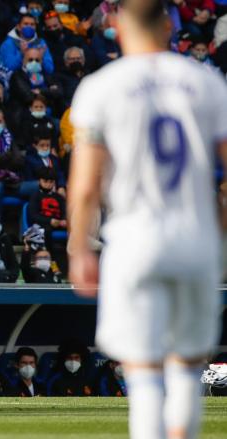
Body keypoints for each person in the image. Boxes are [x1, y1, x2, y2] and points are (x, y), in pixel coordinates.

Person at [68, 1, 227, 437]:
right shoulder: (206, 82)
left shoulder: (101, 87)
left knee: (143, 375)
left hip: (134, 239)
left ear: (116, 26)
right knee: (185, 372)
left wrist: (80, 247)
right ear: (169, 26)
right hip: (195, 238)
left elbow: (84, 187)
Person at [8, 48, 64, 121]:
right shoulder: (17, 76)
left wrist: (41, 91)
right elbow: (28, 96)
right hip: (25, 116)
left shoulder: (47, 74)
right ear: (23, 61)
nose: (34, 62)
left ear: (41, 62)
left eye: (37, 60)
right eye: (30, 60)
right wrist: (49, 92)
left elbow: (59, 92)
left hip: (49, 114)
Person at [23, 129, 66, 198]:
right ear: (35, 146)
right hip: (39, 193)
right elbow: (29, 179)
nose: (45, 148)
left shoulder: (54, 159)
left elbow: (60, 174)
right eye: (42, 145)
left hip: (55, 191)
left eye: (48, 145)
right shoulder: (29, 160)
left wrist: (61, 186)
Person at [28, 167, 67, 239]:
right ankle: (46, 250)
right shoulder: (35, 196)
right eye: (45, 181)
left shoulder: (59, 197)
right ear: (39, 181)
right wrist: (49, 221)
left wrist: (64, 220)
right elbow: (33, 215)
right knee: (45, 230)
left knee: (75, 227)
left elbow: (64, 211)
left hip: (59, 223)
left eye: (51, 181)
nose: (48, 184)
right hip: (43, 224)